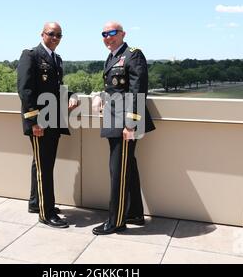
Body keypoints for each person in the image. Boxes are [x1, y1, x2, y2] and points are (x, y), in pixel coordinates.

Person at [92, 21, 155, 235]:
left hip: (124, 124)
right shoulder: (111, 57)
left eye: (112, 33)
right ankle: (134, 212)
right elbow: (114, 89)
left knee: (117, 171)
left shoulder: (133, 55)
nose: (108, 37)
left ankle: (116, 220)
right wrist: (99, 96)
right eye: (104, 34)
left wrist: (131, 124)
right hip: (113, 119)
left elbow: (138, 90)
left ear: (122, 34)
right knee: (128, 167)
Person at [17, 22, 77, 229]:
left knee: (41, 163)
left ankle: (36, 203)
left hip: (53, 119)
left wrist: (71, 96)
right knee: (45, 167)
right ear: (42, 34)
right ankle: (46, 212)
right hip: (40, 121)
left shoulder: (56, 59)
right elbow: (25, 90)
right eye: (51, 34)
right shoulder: (31, 55)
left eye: (59, 35)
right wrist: (34, 121)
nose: (55, 38)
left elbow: (56, 88)